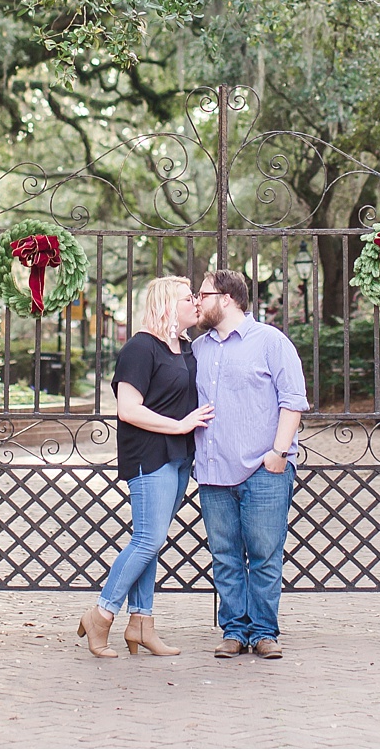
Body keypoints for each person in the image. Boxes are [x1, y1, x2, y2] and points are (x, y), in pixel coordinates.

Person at [78, 275, 212, 658]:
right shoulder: (139, 348)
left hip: (179, 456)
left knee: (152, 541)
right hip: (149, 455)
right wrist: (181, 425)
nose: (196, 304)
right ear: (169, 305)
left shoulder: (184, 347)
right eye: (189, 298)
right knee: (147, 540)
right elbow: (128, 409)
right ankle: (101, 614)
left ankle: (141, 623)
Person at [192, 268, 311, 660]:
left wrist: (278, 453)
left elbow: (292, 400)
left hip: (263, 470)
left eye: (203, 294)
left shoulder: (271, 343)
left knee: (264, 554)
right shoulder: (199, 349)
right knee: (224, 555)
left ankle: (263, 632)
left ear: (226, 298)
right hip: (213, 472)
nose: (197, 301)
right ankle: (233, 631)